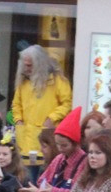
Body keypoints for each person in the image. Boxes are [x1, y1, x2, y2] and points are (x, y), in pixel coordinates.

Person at [10, 45, 71, 173]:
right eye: (25, 65)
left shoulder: (57, 80)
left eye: (30, 65)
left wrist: (52, 118)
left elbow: (67, 103)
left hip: (47, 140)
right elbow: (16, 105)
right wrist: (18, 121)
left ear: (40, 64)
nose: (27, 68)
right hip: (26, 142)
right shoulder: (23, 82)